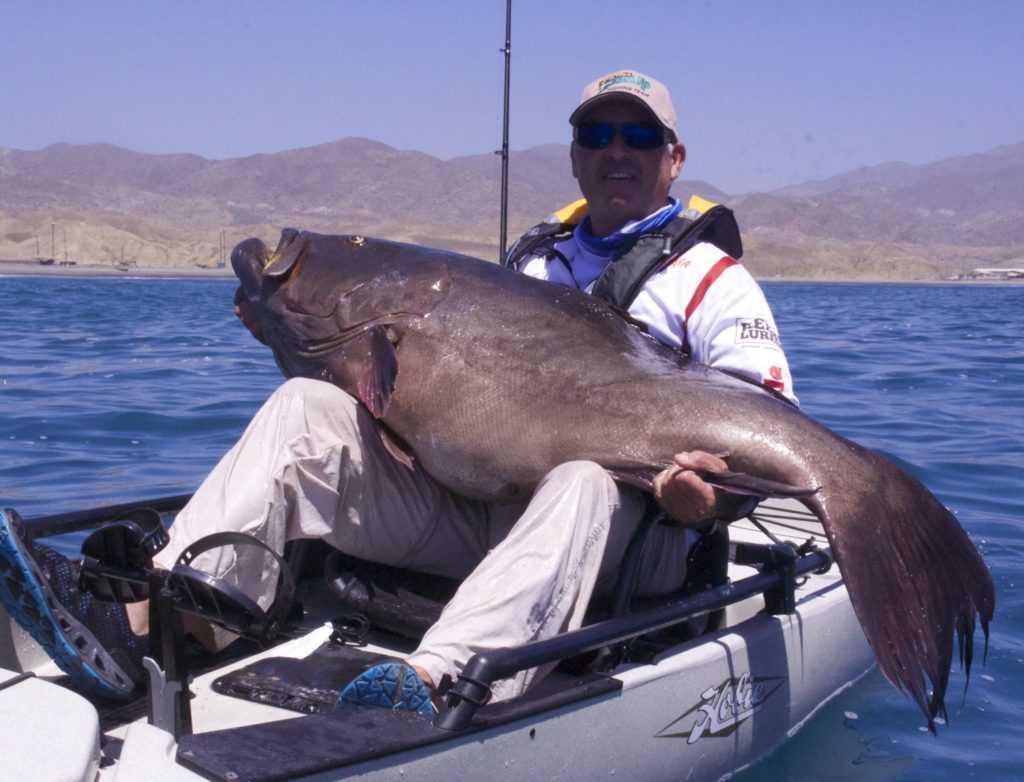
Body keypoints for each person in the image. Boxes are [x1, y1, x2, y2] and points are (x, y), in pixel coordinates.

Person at [0, 69, 795, 713]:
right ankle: (150, 622)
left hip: (635, 544)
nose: (616, 151)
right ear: (576, 154)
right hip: (486, 511)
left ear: (674, 157)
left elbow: (768, 430)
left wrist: (712, 499)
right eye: (597, 134)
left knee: (583, 482)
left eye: (638, 136)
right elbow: (402, 408)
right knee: (305, 410)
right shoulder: (530, 269)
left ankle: (437, 682)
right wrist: (297, 343)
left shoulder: (714, 284)